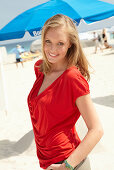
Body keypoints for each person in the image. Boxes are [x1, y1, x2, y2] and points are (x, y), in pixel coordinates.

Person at [27, 14, 103, 170]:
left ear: (70, 44)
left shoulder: (72, 78)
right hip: (47, 163)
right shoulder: (40, 69)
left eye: (60, 43)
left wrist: (67, 166)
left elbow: (97, 129)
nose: (52, 49)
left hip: (69, 162)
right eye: (48, 41)